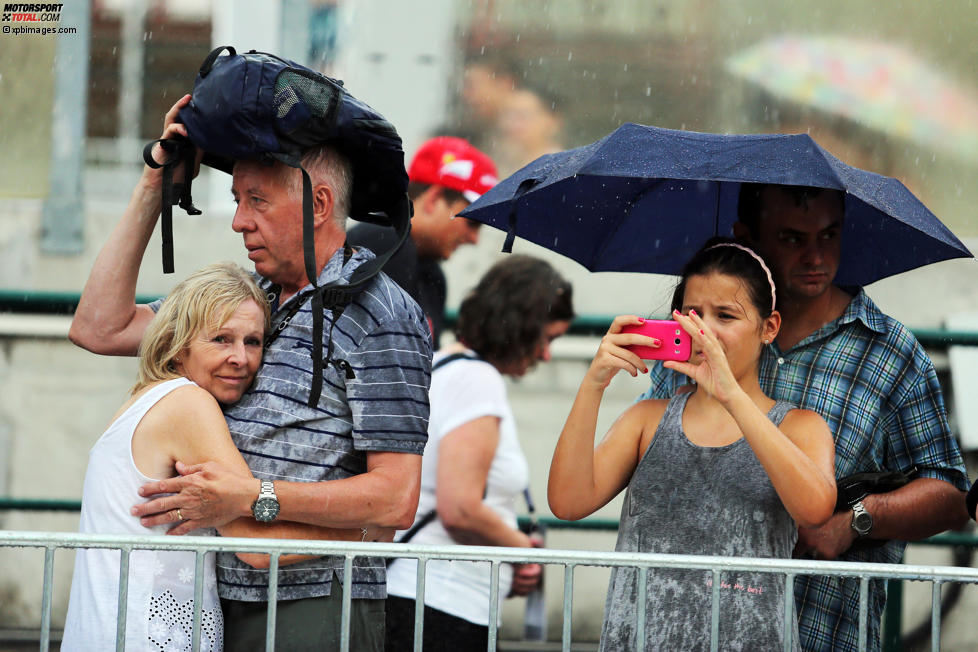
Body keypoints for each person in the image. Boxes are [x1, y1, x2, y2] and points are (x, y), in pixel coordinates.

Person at [68, 94, 432, 651]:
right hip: (218, 597)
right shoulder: (248, 297)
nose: (239, 221)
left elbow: (396, 497)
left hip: (313, 607)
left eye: (257, 201)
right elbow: (98, 326)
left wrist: (251, 496)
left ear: (318, 204)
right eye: (238, 199)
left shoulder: (382, 312)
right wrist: (153, 187)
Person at [639, 184, 971, 652]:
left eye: (829, 235)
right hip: (691, 624)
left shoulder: (890, 353)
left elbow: (952, 496)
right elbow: (647, 468)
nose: (817, 256)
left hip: (822, 627)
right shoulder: (693, 341)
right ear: (746, 237)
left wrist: (857, 519)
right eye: (793, 239)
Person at [62, 262, 389, 651]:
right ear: (176, 345)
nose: (241, 358)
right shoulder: (188, 404)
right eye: (221, 339)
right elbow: (257, 546)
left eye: (253, 341)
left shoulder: (149, 398)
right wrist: (369, 533)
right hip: (150, 633)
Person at [550, 239, 837, 651]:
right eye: (692, 314)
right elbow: (567, 501)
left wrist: (732, 396)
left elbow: (815, 510)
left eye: (725, 315)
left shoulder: (800, 426)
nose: (704, 331)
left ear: (769, 327)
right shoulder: (646, 419)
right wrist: (594, 382)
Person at [385, 255, 575, 651]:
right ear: (522, 326)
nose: (545, 356)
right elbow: (461, 509)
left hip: (420, 598)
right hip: (441, 608)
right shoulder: (477, 380)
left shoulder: (441, 367)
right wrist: (522, 550)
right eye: (548, 338)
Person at [347, 136, 498, 345]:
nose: (475, 239)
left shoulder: (431, 274)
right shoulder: (383, 241)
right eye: (472, 222)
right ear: (434, 199)